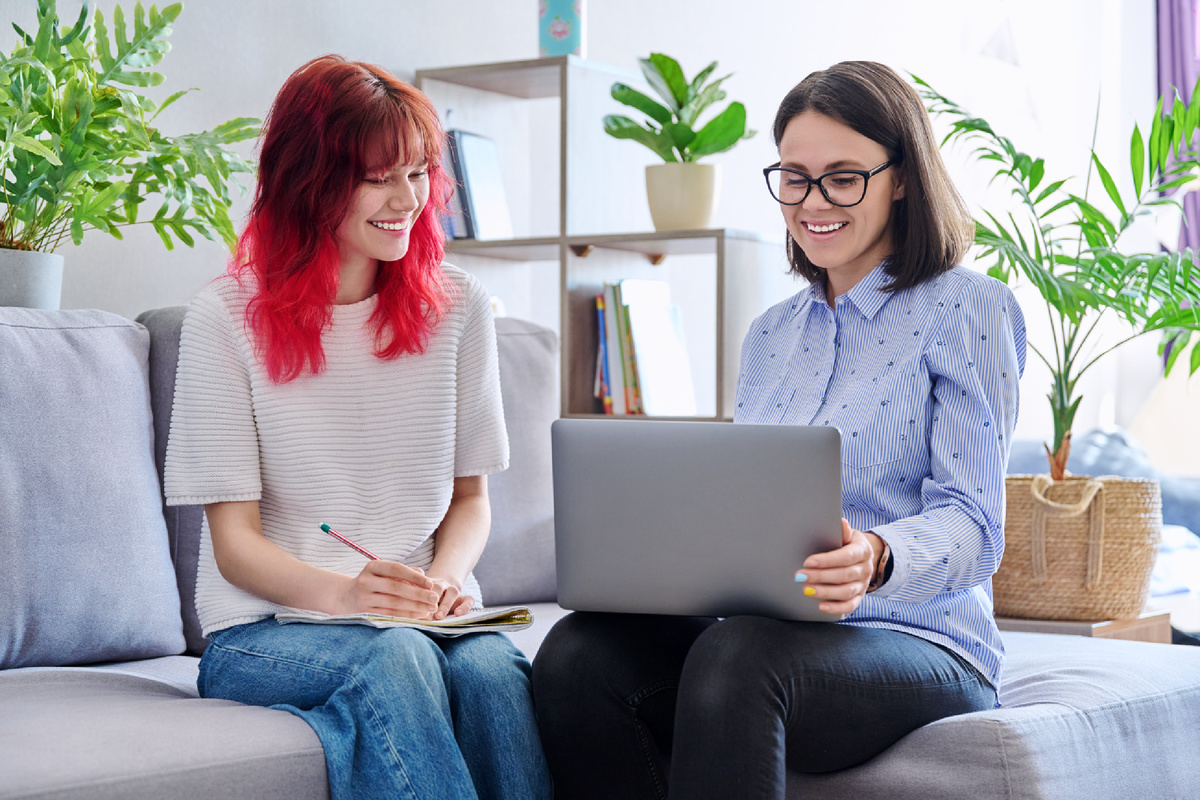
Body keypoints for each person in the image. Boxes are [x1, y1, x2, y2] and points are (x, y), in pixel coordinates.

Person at [532, 60, 1027, 799]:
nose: (813, 201)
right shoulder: (771, 333)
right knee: (577, 654)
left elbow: (975, 525)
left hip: (922, 643)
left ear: (901, 178)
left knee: (739, 656)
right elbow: (743, 501)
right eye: (794, 177)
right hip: (772, 631)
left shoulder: (969, 309)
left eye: (843, 177)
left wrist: (878, 554)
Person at [163, 55, 551, 800]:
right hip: (263, 634)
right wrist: (350, 599)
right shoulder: (225, 317)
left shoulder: (460, 305)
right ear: (310, 181)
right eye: (379, 177)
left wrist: (440, 582)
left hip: (422, 623)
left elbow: (471, 501)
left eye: (419, 173)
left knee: (491, 668)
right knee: (393, 660)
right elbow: (234, 545)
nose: (408, 199)